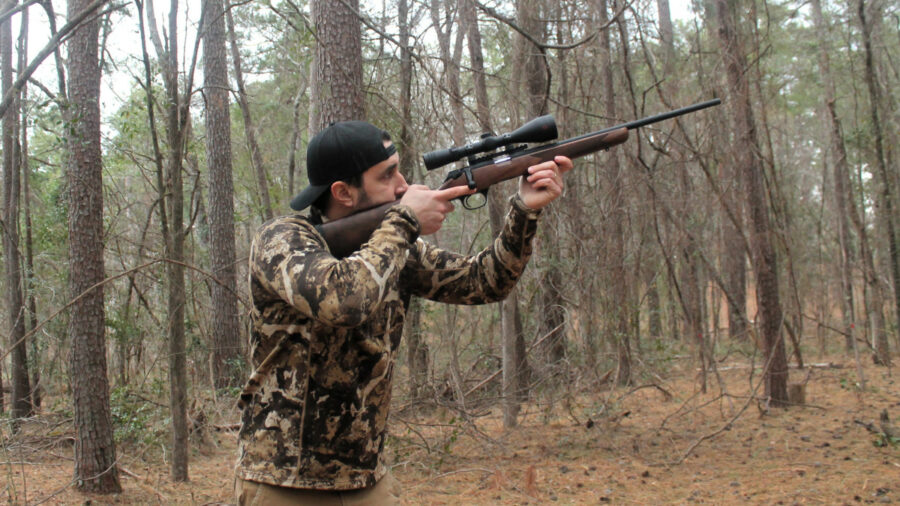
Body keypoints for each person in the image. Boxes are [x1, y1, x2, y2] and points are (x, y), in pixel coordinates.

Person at [234, 120, 572, 505]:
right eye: (387, 174)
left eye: (399, 168)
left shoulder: (394, 249)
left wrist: (525, 211)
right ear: (343, 192)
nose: (403, 185)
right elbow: (344, 300)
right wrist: (406, 220)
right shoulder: (282, 240)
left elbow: (484, 281)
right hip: (283, 481)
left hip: (367, 481)